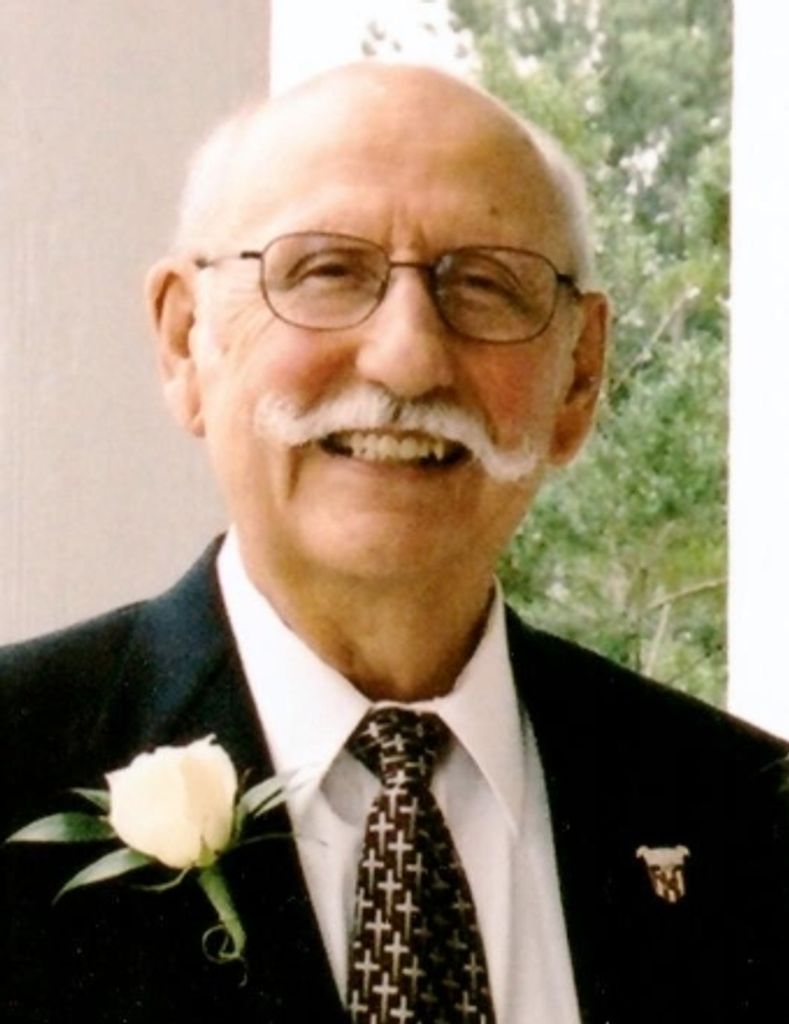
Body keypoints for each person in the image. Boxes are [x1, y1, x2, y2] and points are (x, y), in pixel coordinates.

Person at [1, 63, 786, 1024]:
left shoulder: (752, 815)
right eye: (326, 272)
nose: (408, 357)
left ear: (580, 375)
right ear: (184, 341)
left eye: (485, 284)